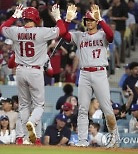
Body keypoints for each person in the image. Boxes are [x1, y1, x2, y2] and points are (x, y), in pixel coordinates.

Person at [0, 4, 66, 144]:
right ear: (36, 18)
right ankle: (31, 123)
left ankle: (19, 137)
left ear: (24, 18)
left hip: (20, 71)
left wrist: (13, 17)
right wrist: (58, 17)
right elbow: (63, 30)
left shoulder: (16, 31)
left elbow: (2, 28)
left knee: (23, 105)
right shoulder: (41, 31)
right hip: (35, 70)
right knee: (38, 106)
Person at [62, 4, 119, 147]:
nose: (89, 22)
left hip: (100, 72)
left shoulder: (102, 33)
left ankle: (114, 137)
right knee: (82, 108)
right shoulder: (80, 35)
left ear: (96, 21)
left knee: (106, 108)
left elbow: (111, 36)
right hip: (85, 73)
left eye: (91, 20)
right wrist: (67, 20)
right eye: (87, 20)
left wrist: (101, 20)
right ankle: (82, 141)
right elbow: (63, 34)